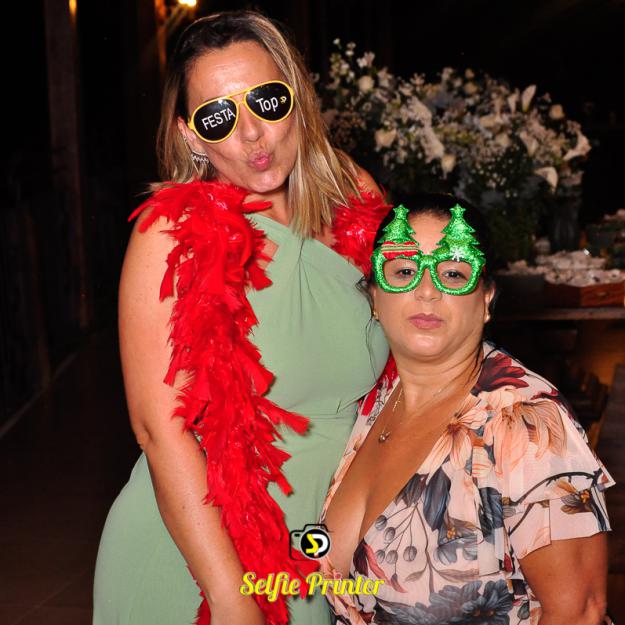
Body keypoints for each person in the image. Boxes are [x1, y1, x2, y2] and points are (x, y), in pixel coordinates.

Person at [92, 10, 390, 625]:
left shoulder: (353, 193)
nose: (252, 134)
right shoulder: (169, 234)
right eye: (219, 118)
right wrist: (231, 598)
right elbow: (160, 431)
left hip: (328, 543)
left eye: (267, 101)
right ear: (192, 137)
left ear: (297, 97)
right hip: (204, 555)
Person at [320, 193, 614, 625]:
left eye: (454, 274)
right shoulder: (374, 400)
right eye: (403, 271)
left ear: (487, 298)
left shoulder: (526, 422)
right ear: (375, 296)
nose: (426, 291)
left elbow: (580, 612)